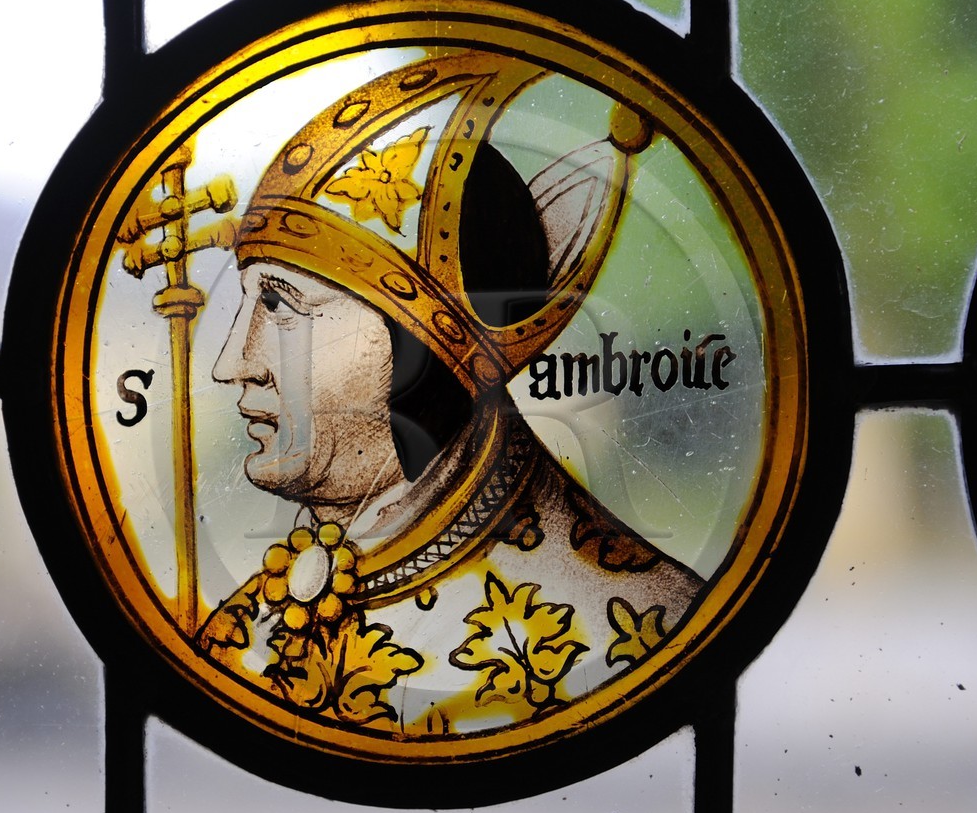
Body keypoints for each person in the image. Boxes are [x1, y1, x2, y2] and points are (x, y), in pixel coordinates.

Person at [197, 50, 702, 736]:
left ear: (426, 350)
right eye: (247, 305)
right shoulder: (250, 625)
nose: (233, 363)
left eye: (283, 308)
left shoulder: (638, 629)